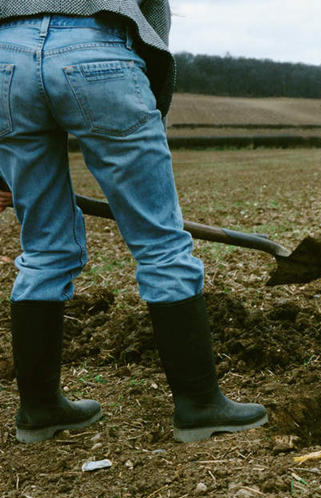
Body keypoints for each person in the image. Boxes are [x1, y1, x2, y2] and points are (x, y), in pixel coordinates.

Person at [0, 3, 267, 442]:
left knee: (43, 249)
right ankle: (199, 404)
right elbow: (154, 15)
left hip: (6, 57)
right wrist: (149, 102)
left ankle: (40, 407)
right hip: (95, 45)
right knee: (160, 243)